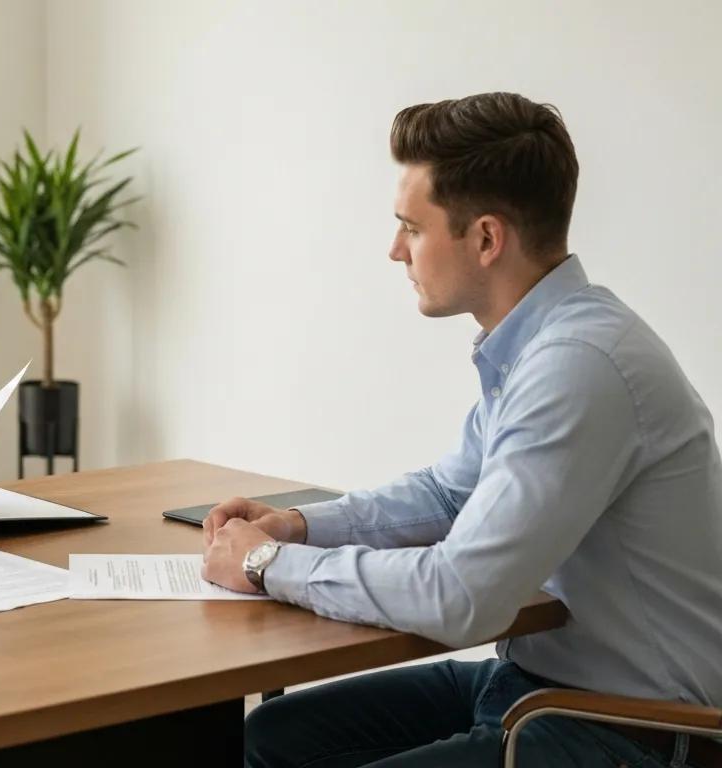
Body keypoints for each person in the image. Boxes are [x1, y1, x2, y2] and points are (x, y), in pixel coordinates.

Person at [201, 92, 722, 766]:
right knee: (270, 737)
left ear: (484, 238)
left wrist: (265, 564)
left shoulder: (580, 366)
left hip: (625, 727)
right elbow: (449, 496)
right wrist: (297, 527)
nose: (394, 251)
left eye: (411, 228)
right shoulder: (542, 346)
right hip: (535, 687)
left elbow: (461, 597)